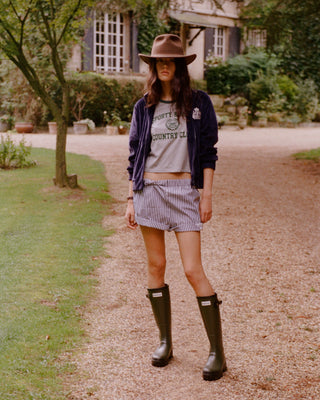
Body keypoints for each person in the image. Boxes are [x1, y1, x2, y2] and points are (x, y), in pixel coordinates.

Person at [125, 34, 226, 381]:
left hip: (184, 191)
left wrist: (207, 195)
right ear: (153, 66)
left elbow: (209, 152)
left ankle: (217, 352)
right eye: (158, 61)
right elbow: (134, 154)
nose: (164, 66)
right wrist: (129, 198)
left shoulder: (199, 103)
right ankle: (165, 342)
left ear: (182, 65)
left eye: (172, 61)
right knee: (156, 265)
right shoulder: (144, 106)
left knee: (192, 269)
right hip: (148, 190)